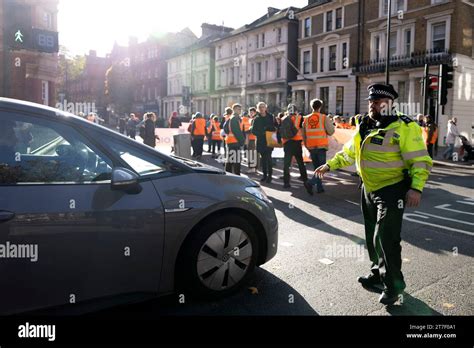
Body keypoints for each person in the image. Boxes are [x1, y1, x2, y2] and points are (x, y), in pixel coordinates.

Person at [315, 84, 432, 305]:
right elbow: (350, 152)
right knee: (372, 236)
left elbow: (420, 160)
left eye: (378, 103)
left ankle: (394, 286)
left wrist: (416, 188)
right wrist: (330, 165)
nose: (373, 106)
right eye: (371, 102)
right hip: (367, 188)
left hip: (392, 189)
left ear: (389, 104)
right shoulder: (364, 125)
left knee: (386, 237)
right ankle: (378, 273)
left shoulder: (405, 126)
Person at [302, 99, 335, 195]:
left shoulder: (306, 118)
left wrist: (306, 145)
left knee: (317, 167)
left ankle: (319, 188)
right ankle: (310, 183)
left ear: (312, 107)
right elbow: (331, 131)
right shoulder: (323, 117)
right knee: (322, 169)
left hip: (311, 146)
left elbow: (304, 135)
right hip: (321, 146)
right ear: (320, 107)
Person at [280, 104, 308, 189]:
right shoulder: (300, 118)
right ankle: (305, 179)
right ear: (296, 110)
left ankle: (286, 182)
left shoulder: (283, 118)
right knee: (300, 162)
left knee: (286, 163)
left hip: (287, 142)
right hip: (297, 142)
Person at [251, 102, 277, 183]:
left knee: (269, 158)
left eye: (263, 107)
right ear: (258, 109)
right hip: (261, 141)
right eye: (260, 107)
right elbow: (253, 131)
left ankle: (269, 176)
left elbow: (275, 127)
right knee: (263, 160)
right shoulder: (256, 119)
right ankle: (264, 175)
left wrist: (270, 128)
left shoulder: (271, 117)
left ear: (266, 108)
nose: (262, 108)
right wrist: (262, 133)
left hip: (269, 140)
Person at [224, 104, 245, 175]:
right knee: (236, 160)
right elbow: (237, 131)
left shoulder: (232, 118)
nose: (240, 111)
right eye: (238, 109)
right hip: (235, 141)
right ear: (234, 109)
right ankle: (237, 175)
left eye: (240, 109)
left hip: (230, 141)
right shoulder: (235, 118)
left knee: (230, 160)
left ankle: (228, 174)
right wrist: (242, 141)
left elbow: (225, 128)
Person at [246, 107, 259, 174]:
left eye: (252, 112)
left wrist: (246, 131)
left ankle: (252, 168)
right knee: (255, 154)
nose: (250, 113)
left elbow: (251, 130)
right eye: (250, 112)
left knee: (251, 153)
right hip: (255, 138)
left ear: (255, 112)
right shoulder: (253, 119)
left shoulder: (253, 120)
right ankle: (255, 168)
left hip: (252, 138)